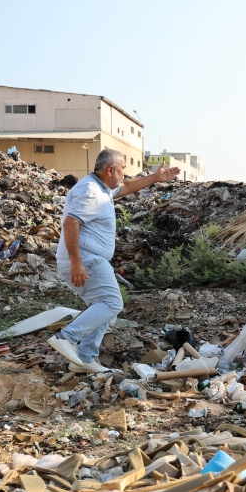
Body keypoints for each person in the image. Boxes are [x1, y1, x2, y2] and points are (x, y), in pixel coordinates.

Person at [48, 149, 180, 372]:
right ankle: (66, 337)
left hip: (89, 259)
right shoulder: (91, 191)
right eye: (123, 169)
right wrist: (76, 262)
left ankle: (85, 359)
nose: (125, 174)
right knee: (112, 303)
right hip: (86, 259)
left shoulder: (102, 188)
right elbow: (71, 224)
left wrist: (156, 178)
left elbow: (126, 187)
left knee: (103, 307)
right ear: (110, 170)